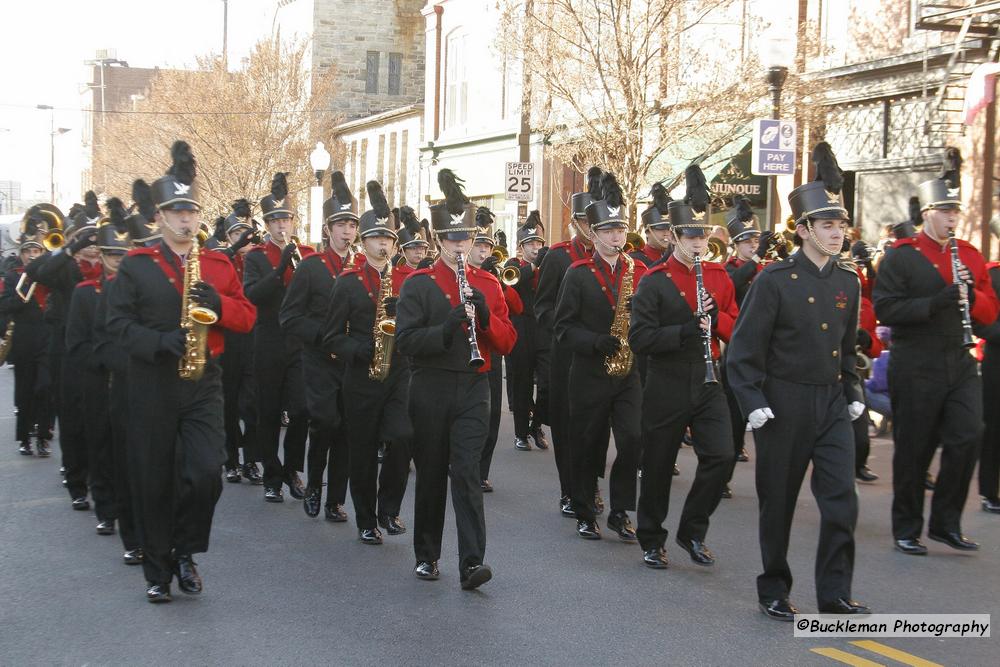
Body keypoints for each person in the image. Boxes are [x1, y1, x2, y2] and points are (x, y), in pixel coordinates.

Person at [107, 140, 256, 602]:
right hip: (151, 384)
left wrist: (221, 304)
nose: (186, 219)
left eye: (191, 210)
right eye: (176, 211)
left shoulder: (215, 262)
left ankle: (185, 549)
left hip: (203, 380)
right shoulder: (137, 265)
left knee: (207, 471)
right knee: (154, 479)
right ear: (160, 216)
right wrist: (160, 343)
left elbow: (248, 317)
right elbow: (116, 327)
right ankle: (158, 569)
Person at [727, 142, 869, 620]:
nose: (836, 233)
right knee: (779, 503)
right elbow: (743, 352)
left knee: (841, 504)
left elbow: (846, 349)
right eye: (827, 225)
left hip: (830, 404)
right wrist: (752, 401)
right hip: (782, 404)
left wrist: (850, 392)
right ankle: (774, 586)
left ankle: (834, 593)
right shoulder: (773, 280)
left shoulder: (848, 281)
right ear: (804, 228)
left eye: (841, 224)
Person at [873, 151, 999, 554]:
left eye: (955, 212)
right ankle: (907, 528)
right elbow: (887, 309)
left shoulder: (970, 254)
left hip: (959, 358)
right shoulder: (902, 255)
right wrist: (937, 301)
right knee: (915, 445)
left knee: (968, 434)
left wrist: (972, 295)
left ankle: (946, 523)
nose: (951, 218)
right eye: (944, 211)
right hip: (915, 359)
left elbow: (989, 312)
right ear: (927, 212)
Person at [395, 168, 516, 589]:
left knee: (465, 472)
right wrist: (445, 329)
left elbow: (507, 341)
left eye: (466, 239)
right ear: (439, 242)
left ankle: (471, 563)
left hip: (471, 386)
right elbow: (407, 342)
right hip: (429, 386)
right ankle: (427, 554)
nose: (460, 247)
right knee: (431, 472)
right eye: (452, 240)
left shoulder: (487, 282)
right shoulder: (419, 284)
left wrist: (483, 315)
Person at [629, 165, 737, 569]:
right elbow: (641, 339)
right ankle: (652, 537)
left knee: (722, 457)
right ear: (673, 236)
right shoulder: (654, 281)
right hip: (667, 377)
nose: (698, 242)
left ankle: (693, 530)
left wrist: (715, 322)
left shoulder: (718, 275)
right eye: (690, 235)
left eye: (702, 235)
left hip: (709, 378)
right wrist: (685, 329)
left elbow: (734, 324)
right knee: (657, 462)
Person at [554, 171, 645, 542]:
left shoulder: (636, 270)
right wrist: (595, 342)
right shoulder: (577, 273)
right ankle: (585, 510)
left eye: (620, 229)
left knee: (633, 438)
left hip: (627, 374)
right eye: (608, 230)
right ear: (593, 233)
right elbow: (562, 327)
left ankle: (621, 510)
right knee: (587, 442)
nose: (616, 237)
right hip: (590, 372)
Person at [322, 180, 412, 543]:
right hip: (361, 377)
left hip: (398, 374)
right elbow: (330, 338)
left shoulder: (407, 280)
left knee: (403, 437)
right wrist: (359, 349)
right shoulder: (347, 283)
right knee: (360, 450)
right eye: (376, 237)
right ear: (364, 242)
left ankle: (389, 508)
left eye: (388, 238)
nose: (383, 244)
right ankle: (366, 519)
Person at [279, 171, 357, 521]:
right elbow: (289, 318)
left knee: (346, 429)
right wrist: (323, 334)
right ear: (328, 228)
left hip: (352, 361)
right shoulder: (311, 267)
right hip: (319, 359)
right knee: (324, 422)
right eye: (340, 224)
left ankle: (335, 500)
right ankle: (314, 485)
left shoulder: (363, 268)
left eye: (352, 225)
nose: (347, 231)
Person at [26, 193, 104, 508]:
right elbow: (38, 273)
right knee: (73, 418)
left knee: (104, 419)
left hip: (104, 352)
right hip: (68, 352)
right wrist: (69, 248)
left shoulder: (114, 265)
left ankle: (104, 482)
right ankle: (76, 482)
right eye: (86, 239)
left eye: (96, 238)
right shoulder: (63, 266)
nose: (92, 245)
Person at [534, 167, 601, 517]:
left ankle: (590, 485)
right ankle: (569, 489)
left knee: (596, 426)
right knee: (567, 423)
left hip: (601, 353)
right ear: (576, 222)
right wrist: (561, 331)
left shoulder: (616, 260)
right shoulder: (559, 256)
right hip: (566, 354)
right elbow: (542, 306)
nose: (595, 230)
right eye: (588, 223)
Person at [244, 173, 315, 503]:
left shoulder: (307, 253)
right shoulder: (256, 257)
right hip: (269, 340)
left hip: (297, 344)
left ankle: (292, 469)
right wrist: (278, 270)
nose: (281, 226)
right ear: (267, 224)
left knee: (301, 410)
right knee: (269, 412)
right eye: (274, 220)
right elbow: (253, 295)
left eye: (285, 219)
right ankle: (272, 476)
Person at [67, 198, 131, 536]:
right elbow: (76, 346)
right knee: (102, 447)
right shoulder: (84, 293)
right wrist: (105, 360)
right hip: (98, 383)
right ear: (102, 256)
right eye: (112, 255)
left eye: (123, 255)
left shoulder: (137, 291)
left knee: (131, 451)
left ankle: (131, 510)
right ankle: (106, 508)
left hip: (133, 383)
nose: (118, 262)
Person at [466, 208, 523, 488]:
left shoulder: (492, 280)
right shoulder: (459, 275)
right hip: (460, 360)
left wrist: (499, 281)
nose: (483, 251)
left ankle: (481, 472)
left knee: (490, 420)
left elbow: (516, 309)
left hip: (489, 356)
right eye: (479, 245)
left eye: (487, 246)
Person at [219, 199, 262, 484]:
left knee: (253, 404)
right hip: (228, 340)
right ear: (228, 237)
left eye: (246, 232)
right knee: (229, 404)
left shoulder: (258, 258)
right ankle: (231, 459)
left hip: (255, 338)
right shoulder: (221, 259)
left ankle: (251, 460)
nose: (243, 238)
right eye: (236, 234)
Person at [0, 221, 52, 458]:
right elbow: (5, 305)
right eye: (28, 251)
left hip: (47, 336)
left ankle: (43, 436)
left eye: (36, 251)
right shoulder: (13, 277)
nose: (32, 255)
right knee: (25, 390)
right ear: (21, 254)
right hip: (23, 337)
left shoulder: (49, 274)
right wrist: (21, 295)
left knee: (45, 387)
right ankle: (24, 438)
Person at [502, 210, 551, 461]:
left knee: (548, 383)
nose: (535, 247)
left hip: (544, 329)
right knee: (521, 384)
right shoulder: (513, 265)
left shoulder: (548, 263)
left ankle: (536, 424)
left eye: (539, 243)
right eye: (530, 243)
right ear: (521, 247)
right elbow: (515, 283)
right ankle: (521, 433)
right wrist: (534, 265)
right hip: (521, 327)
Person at [976, 261, 1000, 514]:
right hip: (998, 361)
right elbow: (982, 322)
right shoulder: (993, 275)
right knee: (994, 428)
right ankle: (990, 491)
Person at [629, 183, 673, 268]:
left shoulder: (679, 259)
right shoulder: (634, 260)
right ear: (647, 231)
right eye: (660, 229)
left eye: (670, 229)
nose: (667, 233)